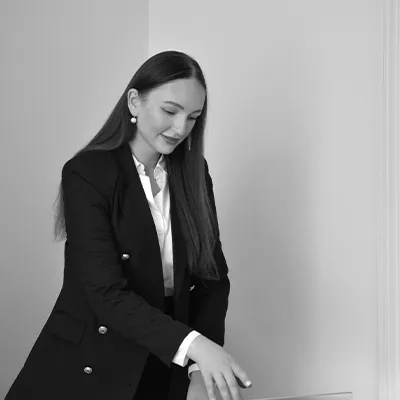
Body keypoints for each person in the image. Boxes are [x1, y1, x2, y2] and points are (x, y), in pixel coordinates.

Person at [5, 50, 252, 400]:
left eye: (193, 117)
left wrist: (198, 370)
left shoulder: (195, 174)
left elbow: (212, 278)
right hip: (88, 364)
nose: (181, 128)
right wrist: (196, 347)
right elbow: (105, 293)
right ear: (134, 102)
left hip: (164, 361)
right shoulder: (87, 173)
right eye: (170, 111)